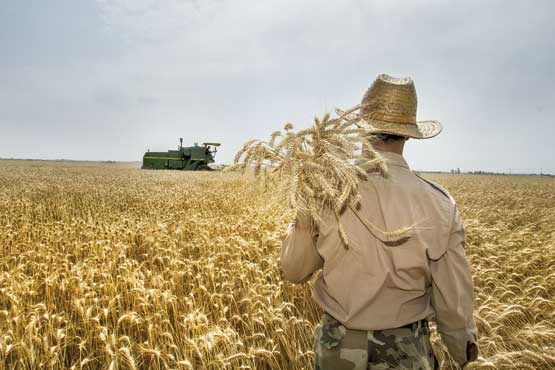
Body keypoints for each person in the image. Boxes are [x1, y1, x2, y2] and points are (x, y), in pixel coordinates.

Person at [280, 74, 479, 369]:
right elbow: (453, 299)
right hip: (407, 350)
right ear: (409, 134)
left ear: (361, 129)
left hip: (337, 348)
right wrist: (463, 350)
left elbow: (294, 271)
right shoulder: (440, 204)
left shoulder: (323, 193)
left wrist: (304, 213)